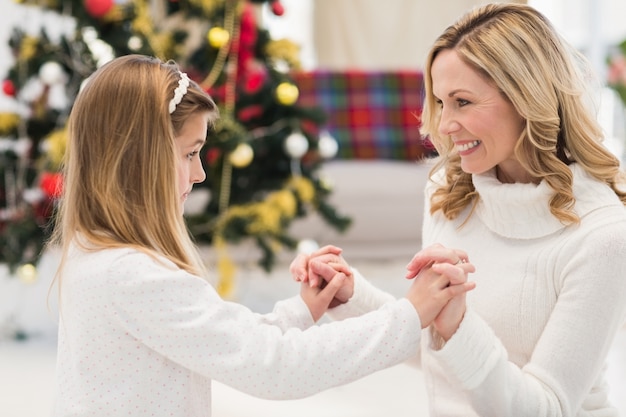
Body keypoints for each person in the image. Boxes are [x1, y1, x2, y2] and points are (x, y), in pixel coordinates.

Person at [48, 54, 476, 417]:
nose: (198, 174)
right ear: (140, 158)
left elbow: (229, 337)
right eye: (190, 154)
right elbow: (276, 367)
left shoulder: (97, 256)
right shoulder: (134, 276)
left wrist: (301, 310)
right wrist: (408, 314)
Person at [292, 3, 626, 416]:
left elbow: (547, 408)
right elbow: (440, 349)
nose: (444, 125)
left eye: (463, 102)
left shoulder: (602, 235)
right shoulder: (449, 193)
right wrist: (353, 296)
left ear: (527, 98)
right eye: (439, 101)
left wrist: (458, 325)